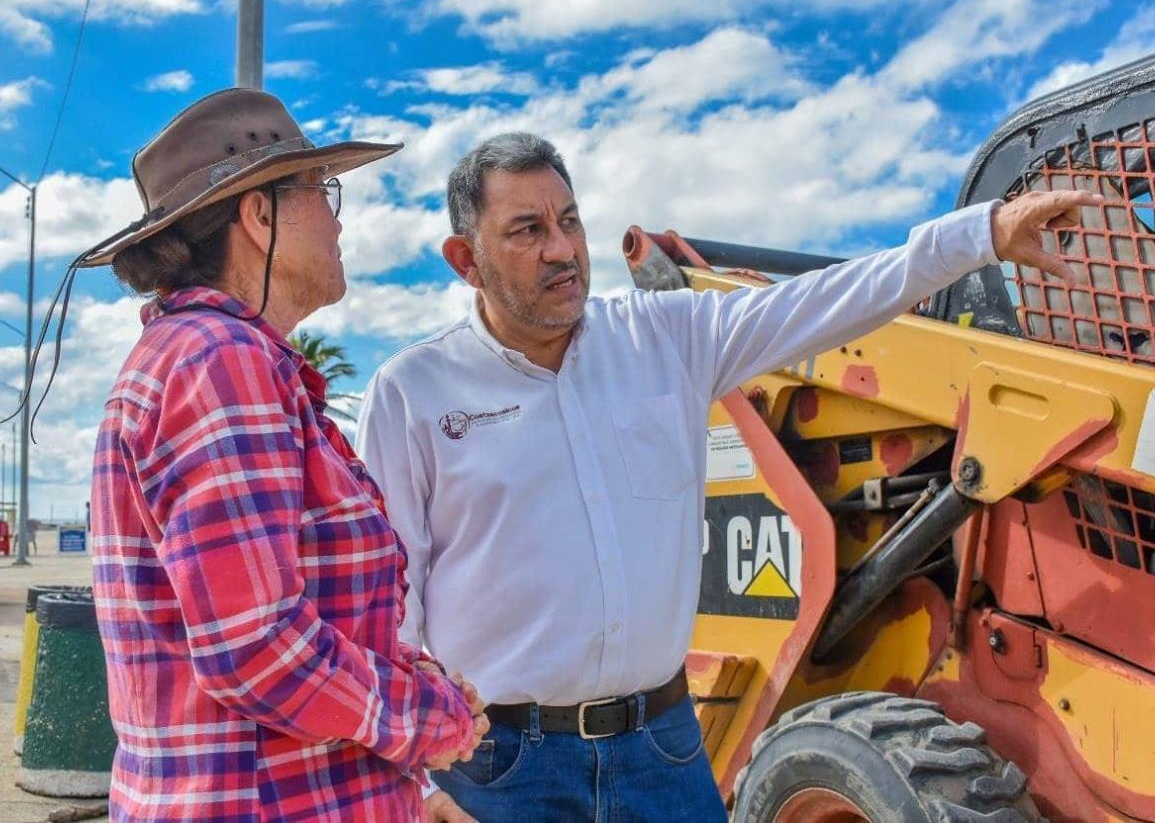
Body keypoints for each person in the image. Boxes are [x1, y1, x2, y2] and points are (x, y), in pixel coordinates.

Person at [355, 132, 1097, 822]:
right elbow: (384, 602)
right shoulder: (415, 392)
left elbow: (822, 304)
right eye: (527, 230)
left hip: (662, 749)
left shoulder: (662, 339)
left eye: (570, 221)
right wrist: (417, 778)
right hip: (499, 766)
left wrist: (980, 235)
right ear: (465, 259)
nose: (562, 249)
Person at [85, 88, 487, 822]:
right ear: (259, 216)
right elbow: (257, 648)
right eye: (320, 191)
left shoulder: (204, 359)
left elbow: (286, 623)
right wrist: (428, 719)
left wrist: (411, 707)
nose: (338, 220)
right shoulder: (220, 363)